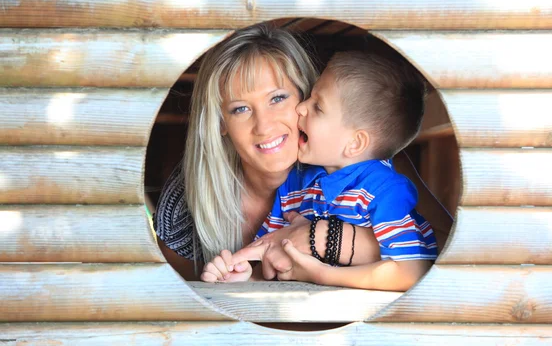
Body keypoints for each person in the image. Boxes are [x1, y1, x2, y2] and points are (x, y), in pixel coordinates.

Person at [153, 24, 382, 281]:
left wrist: (318, 237)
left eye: (277, 98)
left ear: (306, 97)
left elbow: (430, 248)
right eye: (240, 109)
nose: (264, 126)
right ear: (220, 124)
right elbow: (183, 296)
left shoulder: (359, 157)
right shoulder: (186, 201)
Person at [201, 51, 438, 291]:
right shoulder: (295, 185)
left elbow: (412, 272)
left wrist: (323, 275)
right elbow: (271, 258)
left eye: (318, 106)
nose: (301, 108)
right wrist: (244, 275)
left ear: (355, 143)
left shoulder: (385, 191)